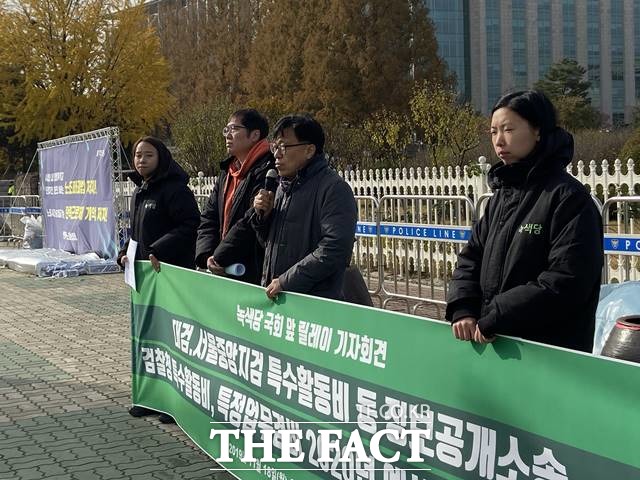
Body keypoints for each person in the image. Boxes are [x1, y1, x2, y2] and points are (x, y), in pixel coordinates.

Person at [446, 90, 603, 352]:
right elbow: (471, 257)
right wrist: (463, 306)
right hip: (497, 346)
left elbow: (566, 281)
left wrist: (498, 314)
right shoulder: (500, 198)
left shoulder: (569, 199)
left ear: (538, 131)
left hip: (550, 355)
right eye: (493, 132)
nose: (499, 141)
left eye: (508, 129)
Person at [117, 136, 200, 423]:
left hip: (169, 275)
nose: (141, 160)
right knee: (148, 338)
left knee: (172, 339)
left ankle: (175, 402)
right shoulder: (140, 191)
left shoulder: (175, 190)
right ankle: (151, 397)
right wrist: (123, 254)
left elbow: (191, 225)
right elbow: (136, 234)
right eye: (138, 155)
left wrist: (158, 249)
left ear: (161, 158)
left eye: (148, 155)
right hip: (143, 281)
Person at [252, 115, 357, 300]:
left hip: (314, 306)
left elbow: (335, 249)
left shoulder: (333, 189)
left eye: (284, 146)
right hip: (279, 298)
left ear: (309, 150)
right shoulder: (281, 187)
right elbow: (269, 246)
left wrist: (286, 281)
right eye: (274, 147)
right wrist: (263, 219)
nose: (277, 154)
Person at [195, 109, 274, 284]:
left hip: (252, 270)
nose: (227, 135)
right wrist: (207, 254)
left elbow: (250, 221)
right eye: (226, 130)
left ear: (254, 135)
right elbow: (209, 216)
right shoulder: (227, 171)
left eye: (234, 129)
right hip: (222, 267)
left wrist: (219, 257)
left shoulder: (268, 170)